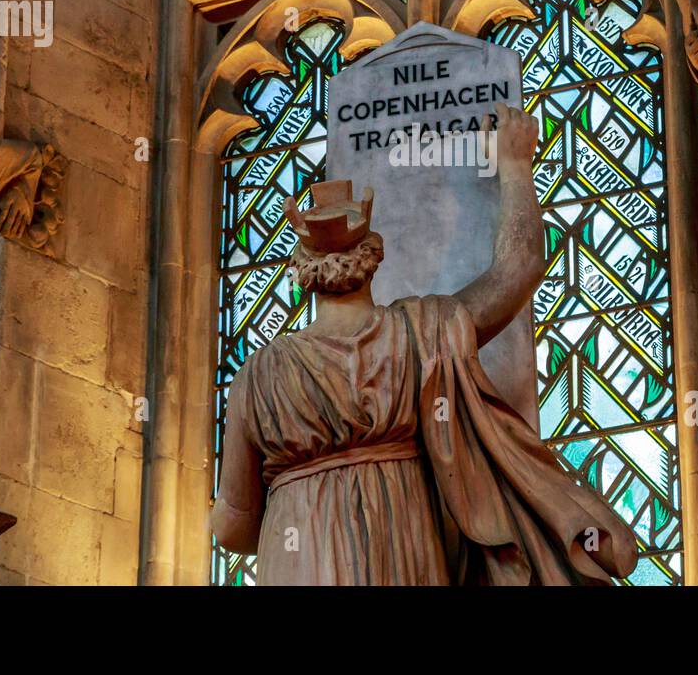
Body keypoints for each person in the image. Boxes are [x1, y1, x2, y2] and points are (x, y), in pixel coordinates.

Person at [211, 103, 637, 584]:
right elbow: (518, 271)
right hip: (403, 542)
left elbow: (234, 527)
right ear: (372, 257)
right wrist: (516, 165)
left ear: (302, 273)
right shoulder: (420, 332)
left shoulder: (260, 374)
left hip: (297, 553)